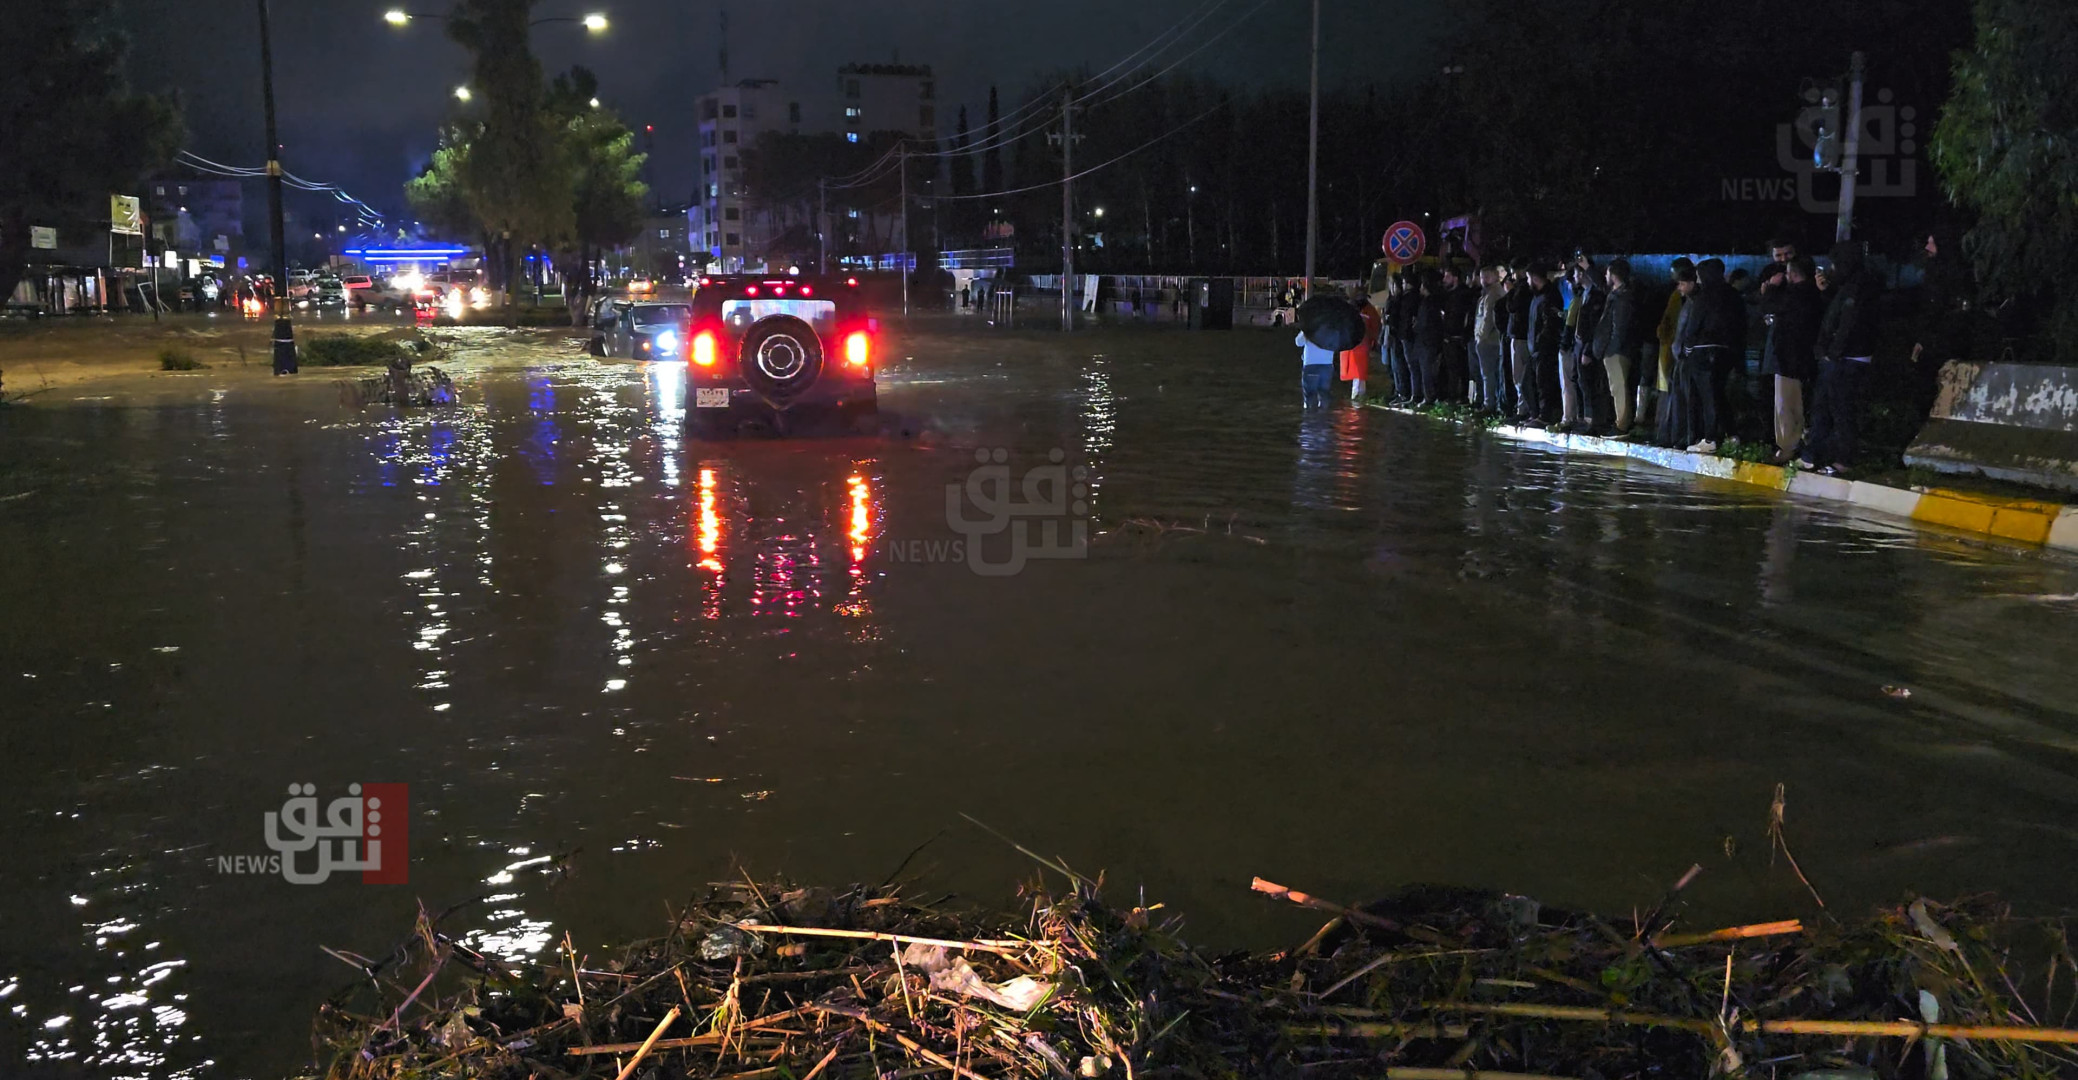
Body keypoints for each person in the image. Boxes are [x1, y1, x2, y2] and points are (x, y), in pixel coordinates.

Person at [1801, 241, 1883, 474]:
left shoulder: (1859, 286)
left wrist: (1832, 353)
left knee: (1840, 410)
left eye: (1835, 264)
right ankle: (1815, 455)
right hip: (1841, 358)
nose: (1831, 269)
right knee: (1824, 408)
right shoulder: (1849, 285)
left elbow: (1849, 323)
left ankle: (1842, 461)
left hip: (1847, 359)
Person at [1664, 258, 1745, 453]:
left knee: (1708, 396)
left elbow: (1694, 325)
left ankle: (1710, 439)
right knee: (1719, 393)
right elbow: (1742, 324)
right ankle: (1732, 434)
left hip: (1704, 351)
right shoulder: (1733, 294)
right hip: (1727, 351)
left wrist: (1688, 348)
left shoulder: (1705, 295)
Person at [1763, 255, 1823, 462]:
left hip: (1788, 359)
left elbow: (1771, 306)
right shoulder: (1814, 294)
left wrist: (1770, 288)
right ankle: (1799, 443)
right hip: (1804, 358)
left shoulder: (1796, 294)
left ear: (1793, 274)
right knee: (1800, 403)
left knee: (1786, 405)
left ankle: (1787, 448)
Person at [1595, 258, 1642, 437]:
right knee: (1616, 387)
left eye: (1607, 273)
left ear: (1613, 275)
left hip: (1617, 350)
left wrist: (1611, 348)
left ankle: (1622, 424)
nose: (1605, 276)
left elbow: (1619, 327)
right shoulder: (1618, 294)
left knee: (1619, 387)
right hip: (1615, 349)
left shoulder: (1623, 298)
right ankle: (1620, 421)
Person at [1650, 257, 1694, 427]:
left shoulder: (1681, 297)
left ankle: (1669, 426)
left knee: (1672, 389)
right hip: (1673, 347)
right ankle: (1667, 425)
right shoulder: (1677, 295)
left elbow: (1669, 322)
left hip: (1677, 348)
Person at [1525, 261, 1566, 427]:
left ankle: (1545, 415)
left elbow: (1550, 324)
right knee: (1529, 381)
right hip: (1535, 347)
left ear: (1535, 278)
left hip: (1545, 348)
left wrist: (1540, 342)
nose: (1527, 283)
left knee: (1544, 382)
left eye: (1528, 279)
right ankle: (1536, 413)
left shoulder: (1550, 296)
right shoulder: (1538, 296)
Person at [1472, 264, 1508, 415]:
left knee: (1488, 374)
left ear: (1495, 277)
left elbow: (1488, 319)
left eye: (1487, 277)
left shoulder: (1493, 294)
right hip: (1489, 340)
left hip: (1488, 341)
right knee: (1490, 374)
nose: (1483, 280)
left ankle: (1489, 405)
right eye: (1482, 277)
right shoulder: (1489, 293)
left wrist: (1480, 336)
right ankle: (1492, 403)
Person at [1506, 258, 1537, 422]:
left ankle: (1523, 409)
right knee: (1521, 376)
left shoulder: (1522, 288)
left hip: (1521, 337)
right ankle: (1524, 408)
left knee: (1519, 375)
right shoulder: (1527, 288)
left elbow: (1512, 307)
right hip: (1524, 336)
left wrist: (1510, 291)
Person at [1409, 270, 1447, 406]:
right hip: (1425, 341)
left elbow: (1426, 323)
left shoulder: (1430, 303)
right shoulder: (1428, 302)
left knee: (1427, 371)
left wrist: (1416, 327)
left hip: (1427, 342)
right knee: (1423, 369)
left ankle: (1429, 397)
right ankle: (1425, 396)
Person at [1442, 264, 1477, 403]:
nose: (1444, 279)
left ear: (1455, 278)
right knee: (1452, 369)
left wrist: (1462, 333)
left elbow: (1464, 316)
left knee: (1461, 369)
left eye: (1447, 276)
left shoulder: (1463, 294)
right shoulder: (1449, 294)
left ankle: (1461, 396)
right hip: (1449, 336)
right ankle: (1452, 396)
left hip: (1458, 337)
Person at [1341, 288, 1380, 402]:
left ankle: (1358, 397)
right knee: (1358, 375)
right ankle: (1358, 397)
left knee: (1359, 374)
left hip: (1359, 346)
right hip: (1356, 347)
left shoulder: (1367, 312)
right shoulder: (1365, 311)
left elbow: (1374, 328)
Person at [1295, 324, 1336, 408]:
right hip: (1327, 364)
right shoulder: (1333, 329)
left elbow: (1299, 342)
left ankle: (1310, 418)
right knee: (1324, 394)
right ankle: (1324, 417)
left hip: (1311, 364)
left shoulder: (1309, 328)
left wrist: (1304, 331)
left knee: (1310, 395)